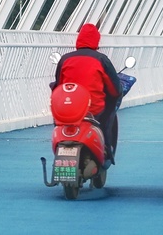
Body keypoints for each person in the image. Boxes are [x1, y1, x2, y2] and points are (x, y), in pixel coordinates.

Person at [52, 22, 123, 163]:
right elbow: (114, 90)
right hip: (93, 109)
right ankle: (106, 147)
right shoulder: (101, 60)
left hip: (68, 109)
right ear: (96, 41)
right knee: (108, 113)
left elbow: (59, 85)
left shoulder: (65, 59)